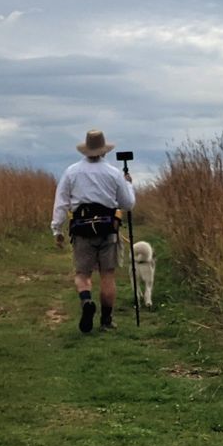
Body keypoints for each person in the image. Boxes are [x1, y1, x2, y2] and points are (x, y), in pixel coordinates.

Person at [51, 129, 136, 334]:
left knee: (82, 274)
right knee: (107, 275)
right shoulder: (114, 173)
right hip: (108, 230)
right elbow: (128, 203)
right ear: (104, 150)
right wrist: (129, 185)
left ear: (85, 150)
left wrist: (57, 228)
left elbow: (61, 202)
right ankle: (106, 321)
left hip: (82, 230)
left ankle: (86, 299)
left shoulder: (71, 172)